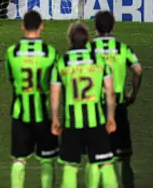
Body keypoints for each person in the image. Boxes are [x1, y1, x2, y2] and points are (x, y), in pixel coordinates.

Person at [50, 22, 119, 188]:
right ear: (88, 40)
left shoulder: (62, 62)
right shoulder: (99, 61)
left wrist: (54, 119)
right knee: (105, 164)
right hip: (96, 121)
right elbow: (110, 92)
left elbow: (55, 95)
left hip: (72, 123)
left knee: (70, 166)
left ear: (69, 40)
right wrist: (110, 117)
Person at [87, 10, 142, 188]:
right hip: (118, 107)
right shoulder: (122, 48)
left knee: (96, 157)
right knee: (124, 158)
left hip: (96, 107)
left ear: (95, 28)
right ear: (114, 27)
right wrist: (133, 93)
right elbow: (138, 70)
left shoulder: (89, 49)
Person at [5, 11, 59, 188]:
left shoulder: (12, 53)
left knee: (19, 160)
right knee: (46, 160)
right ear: (42, 26)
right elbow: (55, 85)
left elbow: (12, 80)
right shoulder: (51, 54)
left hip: (19, 114)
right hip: (42, 114)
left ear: (22, 26)